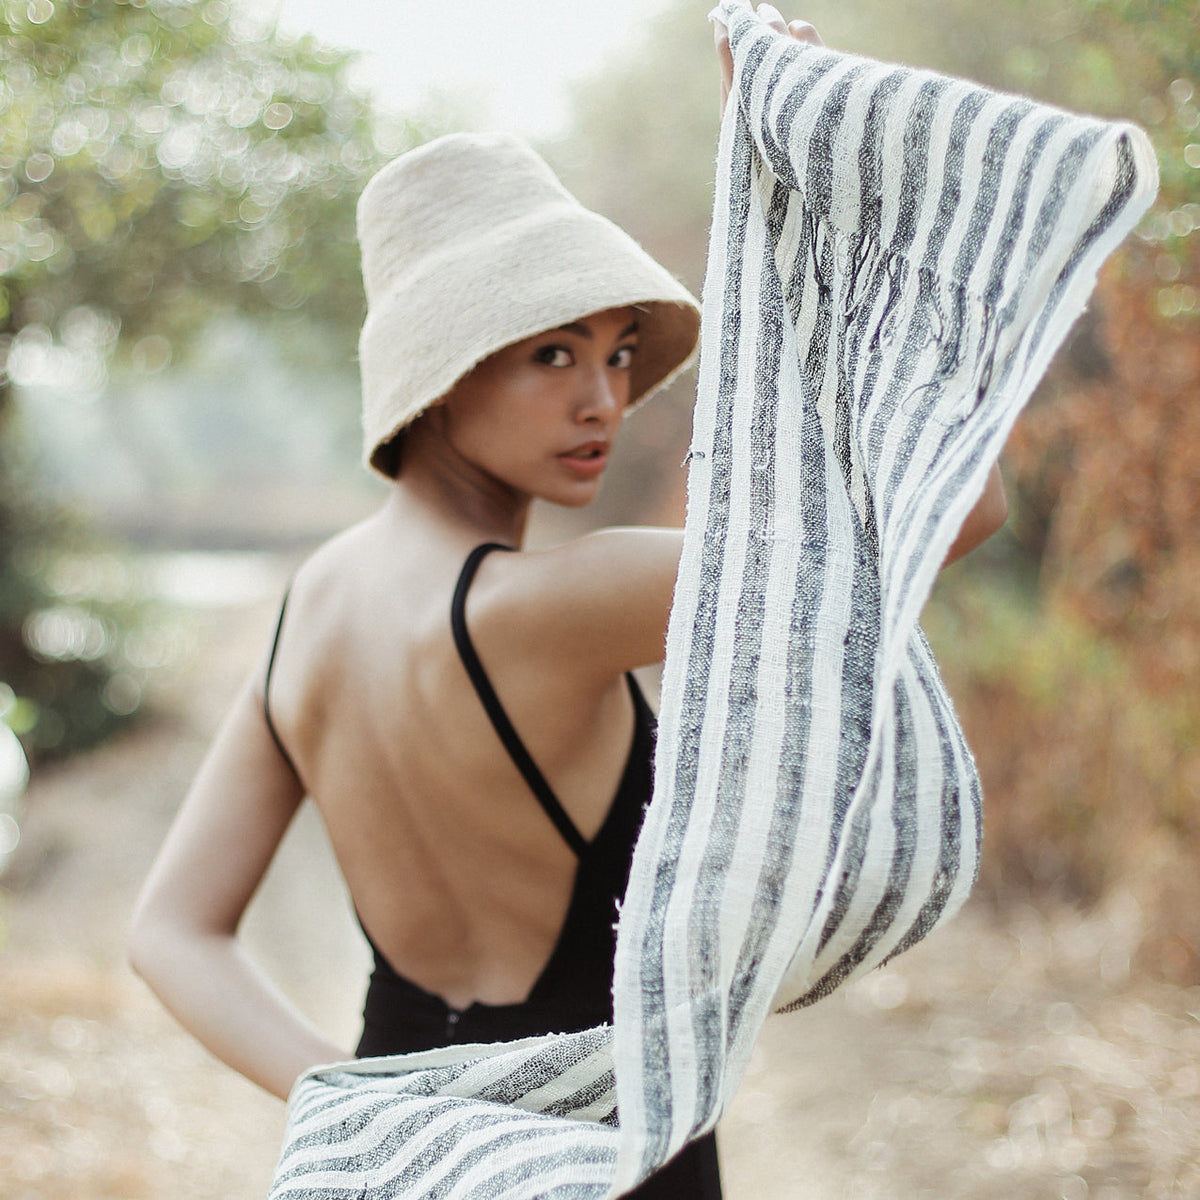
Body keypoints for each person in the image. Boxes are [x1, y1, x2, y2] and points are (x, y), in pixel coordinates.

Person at [129, 9, 1007, 1197]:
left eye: (619, 352)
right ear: (440, 370)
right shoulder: (562, 603)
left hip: (402, 1168)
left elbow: (170, 932)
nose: (605, 399)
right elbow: (955, 508)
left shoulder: (310, 606)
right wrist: (818, 186)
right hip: (606, 1153)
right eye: (552, 353)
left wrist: (369, 1111)